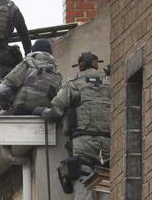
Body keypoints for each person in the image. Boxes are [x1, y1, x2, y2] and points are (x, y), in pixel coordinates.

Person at [34, 51, 111, 200]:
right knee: (107, 185)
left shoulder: (73, 84)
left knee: (84, 185)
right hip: (108, 144)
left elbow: (55, 112)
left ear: (80, 66)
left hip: (83, 144)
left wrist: (40, 111)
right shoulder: (110, 83)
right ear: (96, 65)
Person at [0, 39, 62, 115]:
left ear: (33, 50)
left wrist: (5, 105)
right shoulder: (57, 74)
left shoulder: (28, 63)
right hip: (43, 116)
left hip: (20, 112)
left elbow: (1, 90)